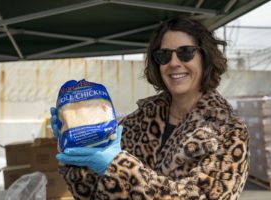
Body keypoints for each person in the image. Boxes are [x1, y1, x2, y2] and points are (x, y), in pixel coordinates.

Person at [50, 15, 249, 200]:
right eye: (163, 55)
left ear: (205, 57)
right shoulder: (136, 121)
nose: (174, 63)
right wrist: (78, 155)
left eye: (185, 53)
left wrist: (120, 168)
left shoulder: (228, 131)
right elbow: (92, 194)